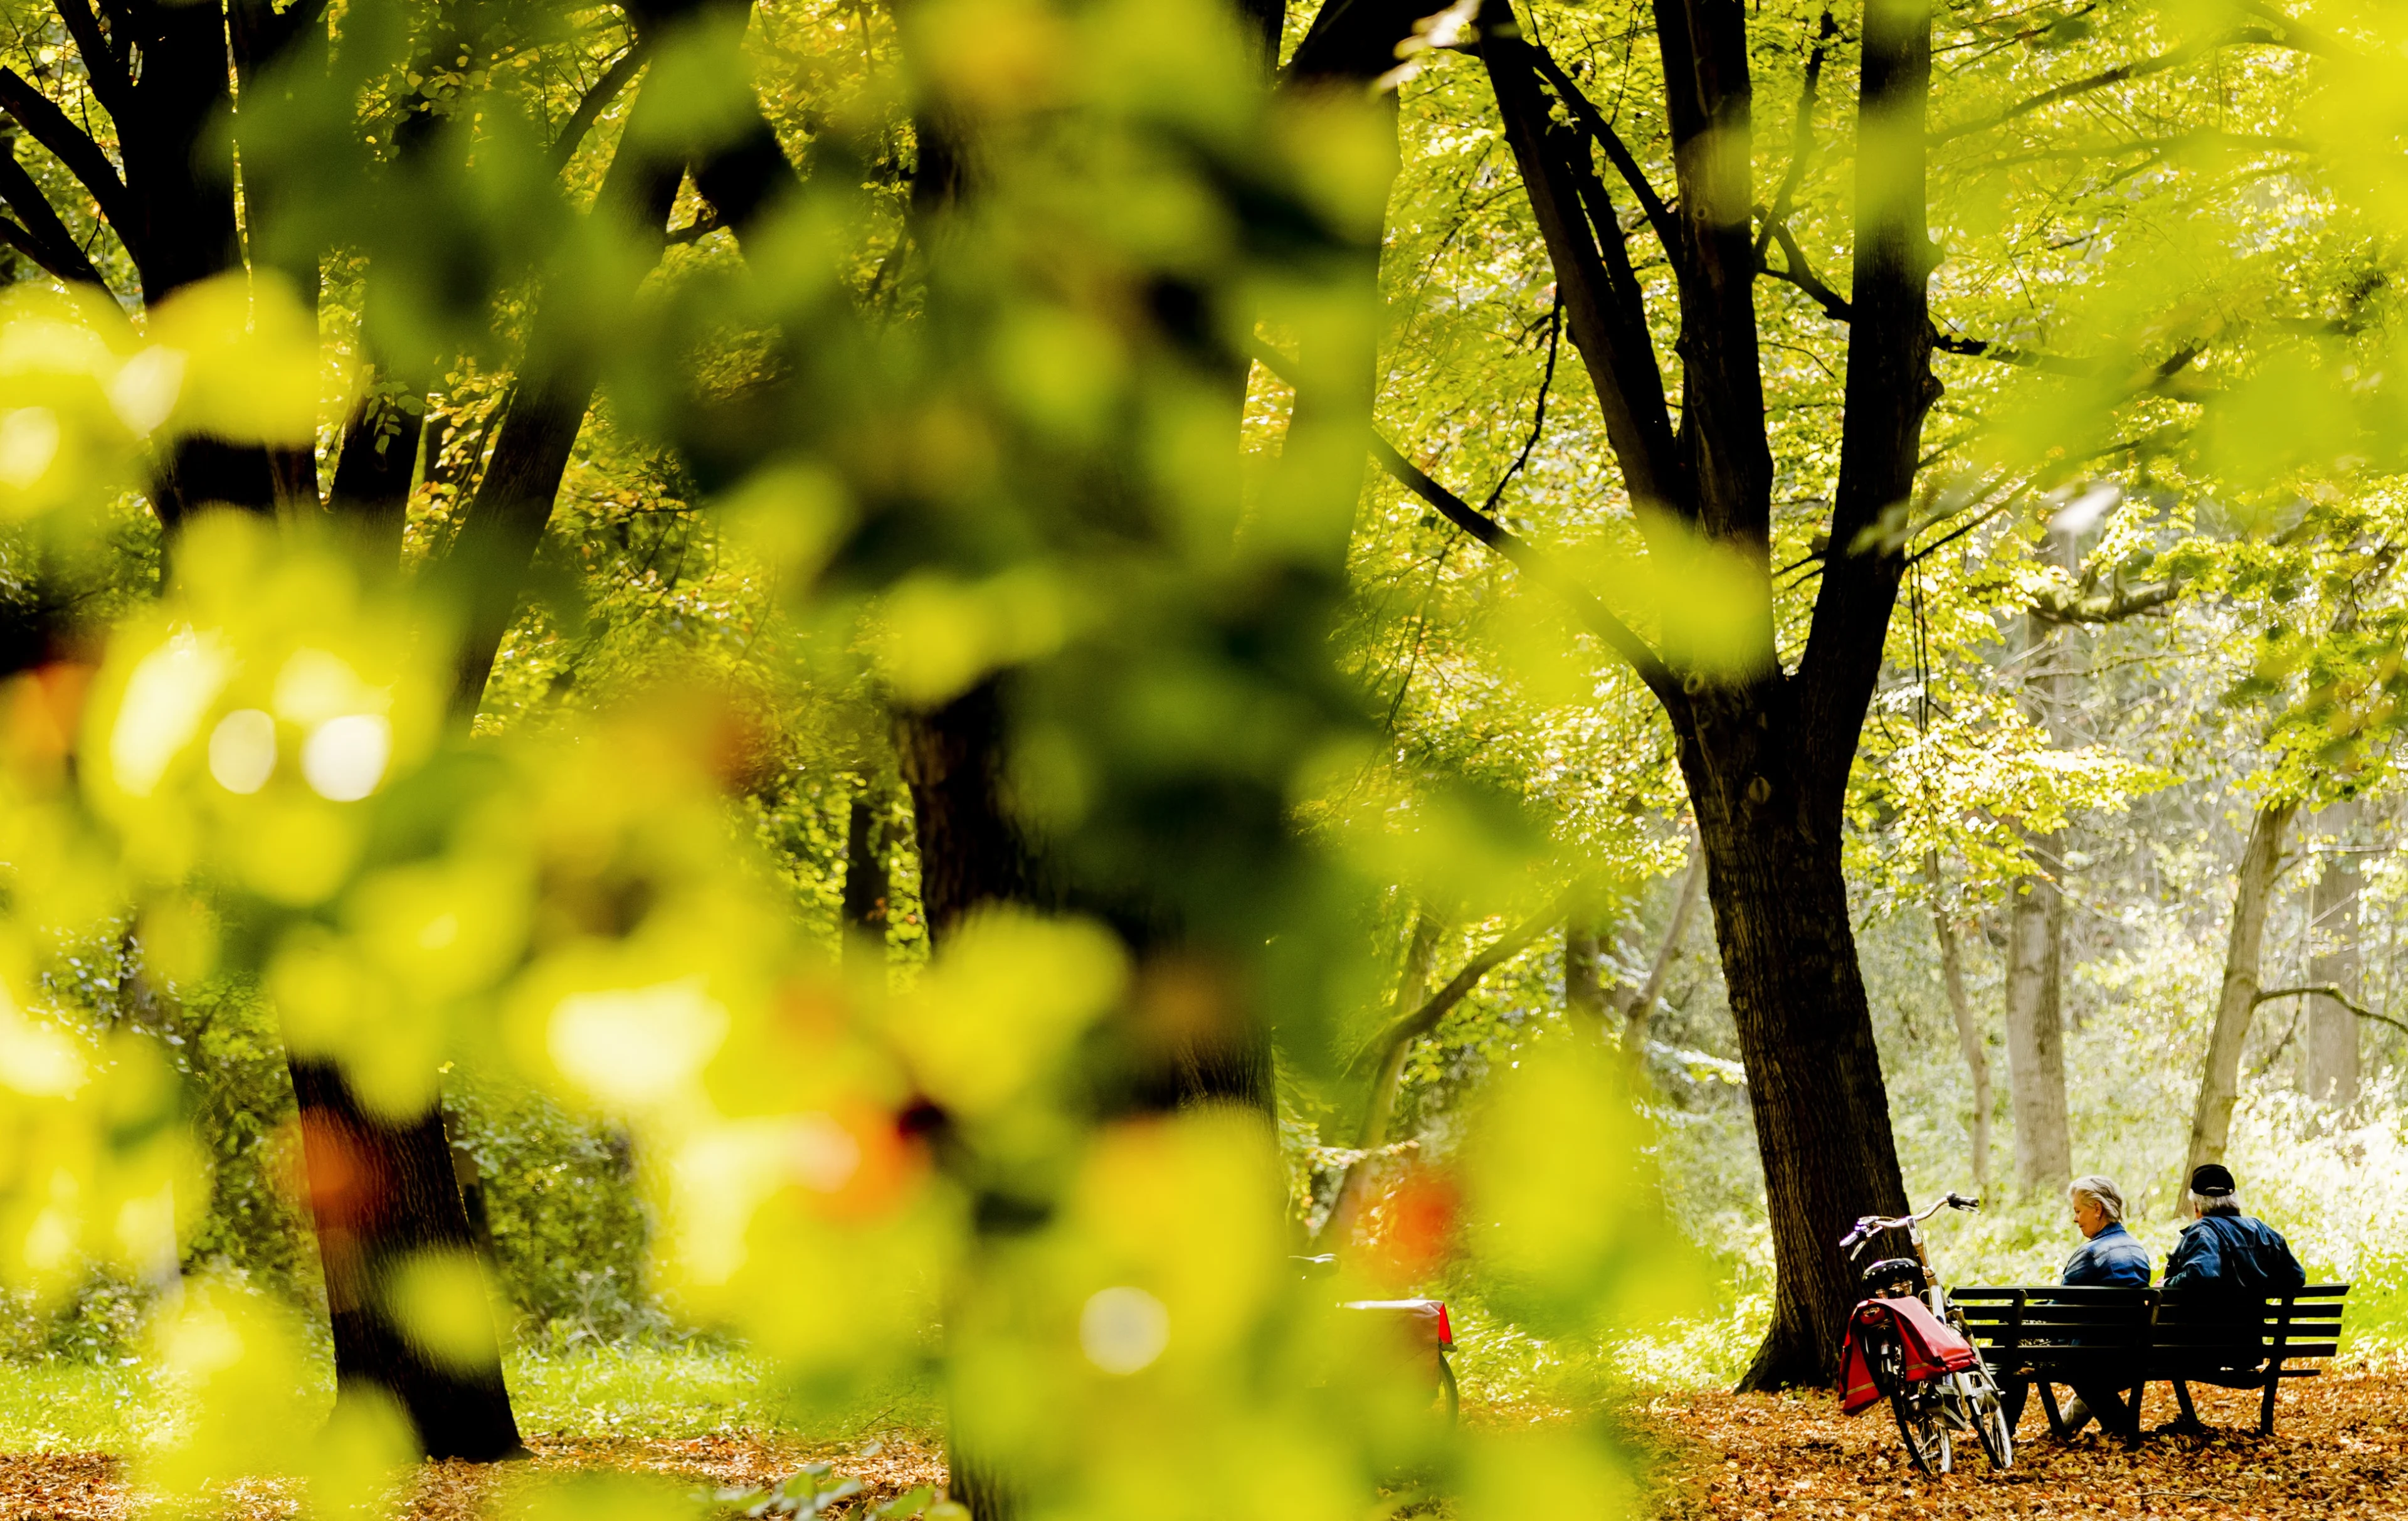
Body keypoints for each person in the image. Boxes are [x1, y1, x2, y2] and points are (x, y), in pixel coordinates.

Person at [2000, 1175, 2152, 1441]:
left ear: (2097, 1209)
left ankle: (2002, 1430)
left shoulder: (2090, 1254)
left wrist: (2034, 1315)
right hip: (2128, 1349)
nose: (2075, 1219)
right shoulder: (2137, 1250)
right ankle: (2116, 1424)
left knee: (2009, 1338)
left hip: (2084, 1353)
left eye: (2078, 1211)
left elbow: (2059, 1312)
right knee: (2017, 1338)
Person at [2164, 1163, 2305, 1293]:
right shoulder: (2261, 1229)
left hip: (2208, 1320)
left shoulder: (2202, 1231)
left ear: (2197, 1206)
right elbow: (2297, 1276)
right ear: (2233, 1200)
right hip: (2253, 1319)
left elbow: (2202, 1274)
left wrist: (2168, 1283)